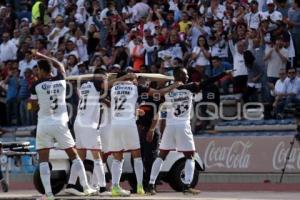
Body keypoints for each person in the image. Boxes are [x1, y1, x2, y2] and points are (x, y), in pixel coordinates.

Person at [148, 67, 230, 195]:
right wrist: (223, 73)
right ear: (179, 75)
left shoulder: (168, 91)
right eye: (185, 74)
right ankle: (187, 186)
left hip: (170, 126)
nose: (187, 76)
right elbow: (207, 82)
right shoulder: (190, 87)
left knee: (162, 155)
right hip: (183, 126)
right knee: (190, 156)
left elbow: (158, 99)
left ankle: (151, 185)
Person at [29, 51, 96, 199]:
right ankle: (86, 187)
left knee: (43, 159)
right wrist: (43, 56)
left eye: (38, 70)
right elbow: (59, 65)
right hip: (60, 123)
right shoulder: (61, 80)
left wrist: (37, 103)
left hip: (44, 124)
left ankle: (48, 194)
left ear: (41, 70)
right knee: (74, 155)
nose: (37, 72)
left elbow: (33, 107)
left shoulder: (36, 85)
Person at [109, 72, 182, 197]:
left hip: (114, 124)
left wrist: (135, 110)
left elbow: (119, 101)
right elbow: (158, 93)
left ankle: (115, 187)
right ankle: (140, 187)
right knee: (137, 156)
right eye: (135, 78)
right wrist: (174, 85)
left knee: (117, 158)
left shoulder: (113, 87)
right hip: (129, 124)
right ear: (130, 79)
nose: (137, 80)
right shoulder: (135, 87)